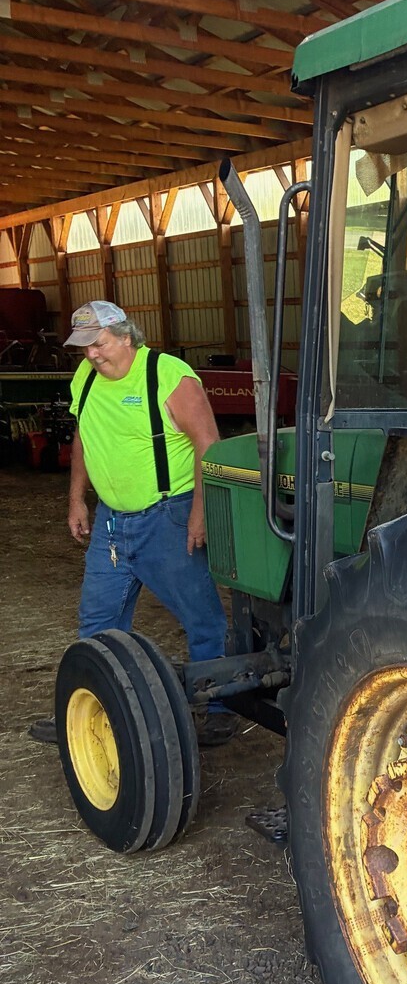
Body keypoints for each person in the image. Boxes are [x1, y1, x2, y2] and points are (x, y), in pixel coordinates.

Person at [29, 300, 237, 747]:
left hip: (168, 516)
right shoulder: (85, 378)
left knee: (201, 618)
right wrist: (76, 500)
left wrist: (200, 514)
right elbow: (86, 436)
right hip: (110, 522)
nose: (91, 356)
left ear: (126, 337)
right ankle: (88, 708)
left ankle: (219, 707)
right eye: (83, 348)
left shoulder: (167, 375)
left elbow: (209, 443)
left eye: (99, 344)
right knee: (98, 620)